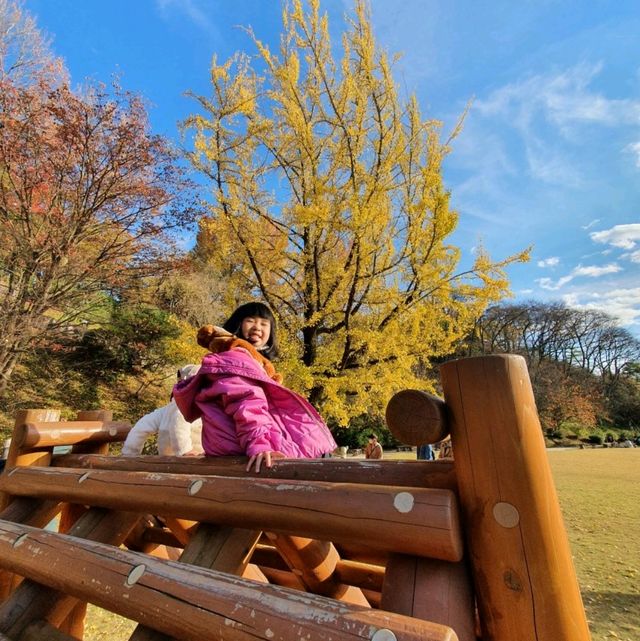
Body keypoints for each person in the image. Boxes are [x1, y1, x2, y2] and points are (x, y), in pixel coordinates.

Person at [173, 302, 337, 472]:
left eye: (264, 324)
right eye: (250, 321)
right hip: (245, 447)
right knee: (324, 463)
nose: (258, 327)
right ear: (237, 324)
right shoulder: (236, 359)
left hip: (239, 445)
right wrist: (259, 444)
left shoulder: (251, 363)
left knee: (319, 454)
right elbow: (245, 402)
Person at [122, 365, 204, 457]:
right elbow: (179, 427)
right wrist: (185, 450)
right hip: (189, 461)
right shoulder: (183, 408)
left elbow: (141, 427)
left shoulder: (166, 410)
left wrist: (130, 452)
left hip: (166, 460)